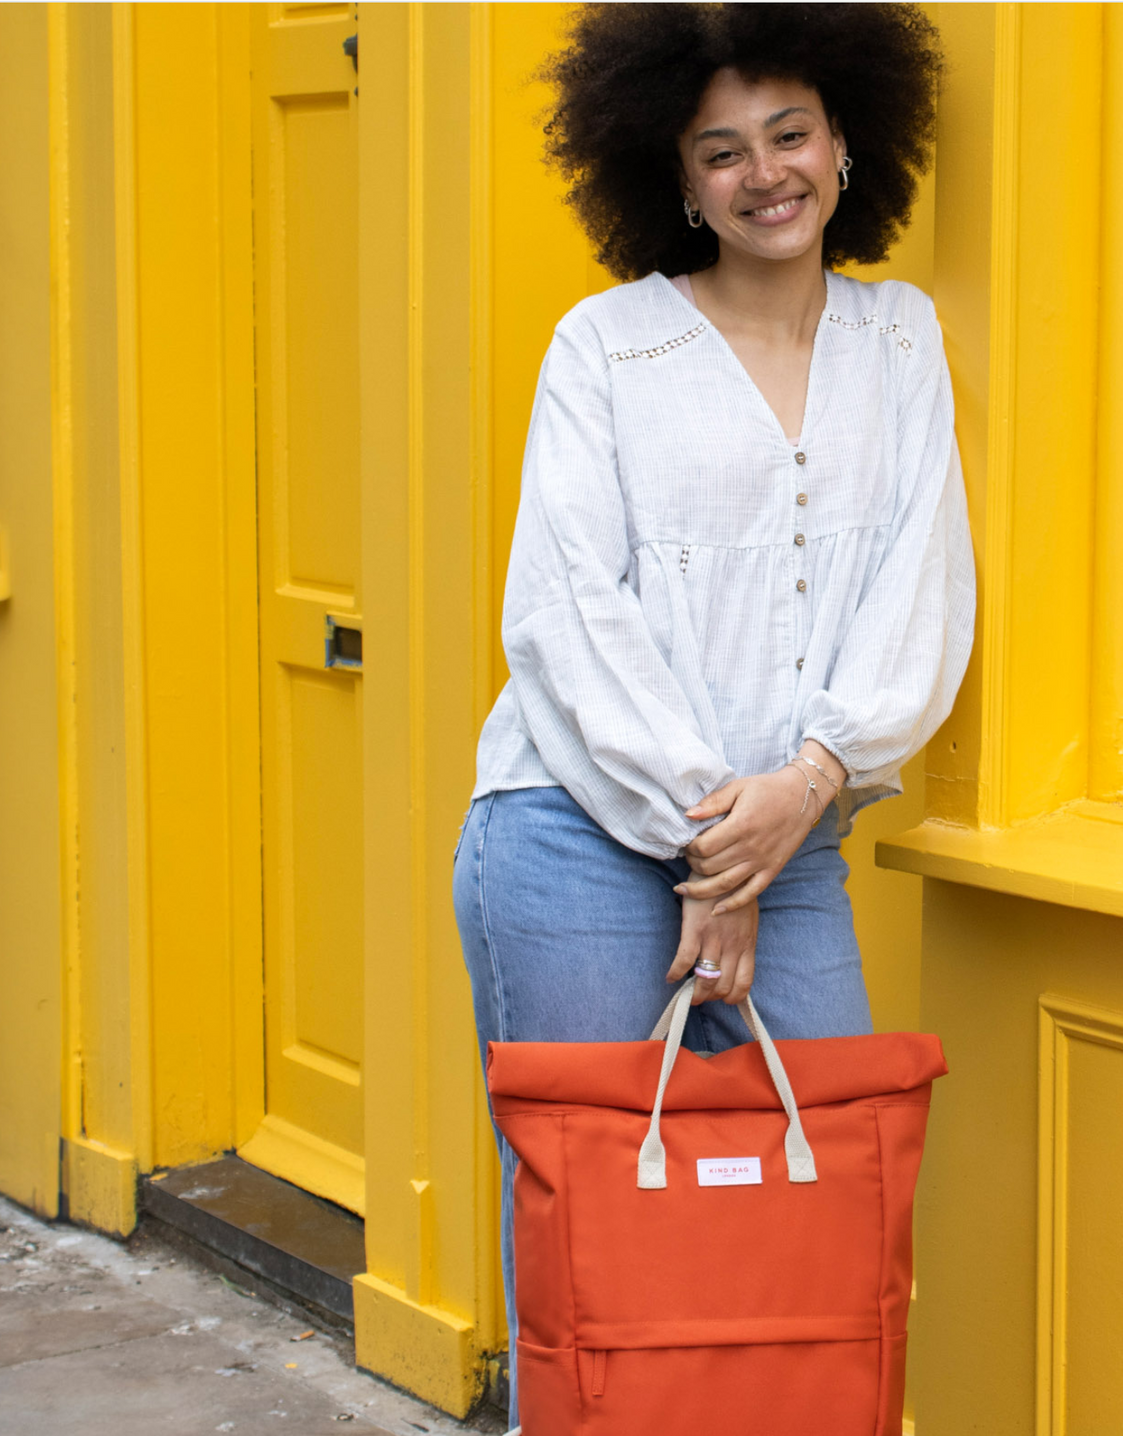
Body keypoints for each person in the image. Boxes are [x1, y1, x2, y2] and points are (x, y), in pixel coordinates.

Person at [450, 6, 973, 1429]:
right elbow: (564, 610)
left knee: (826, 1212)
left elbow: (921, 582)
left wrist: (800, 792)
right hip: (571, 836)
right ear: (675, 181)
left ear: (848, 140)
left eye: (789, 135)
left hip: (792, 839)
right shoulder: (607, 348)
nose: (763, 176)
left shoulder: (900, 336)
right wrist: (711, 841)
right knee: (597, 1242)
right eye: (721, 152)